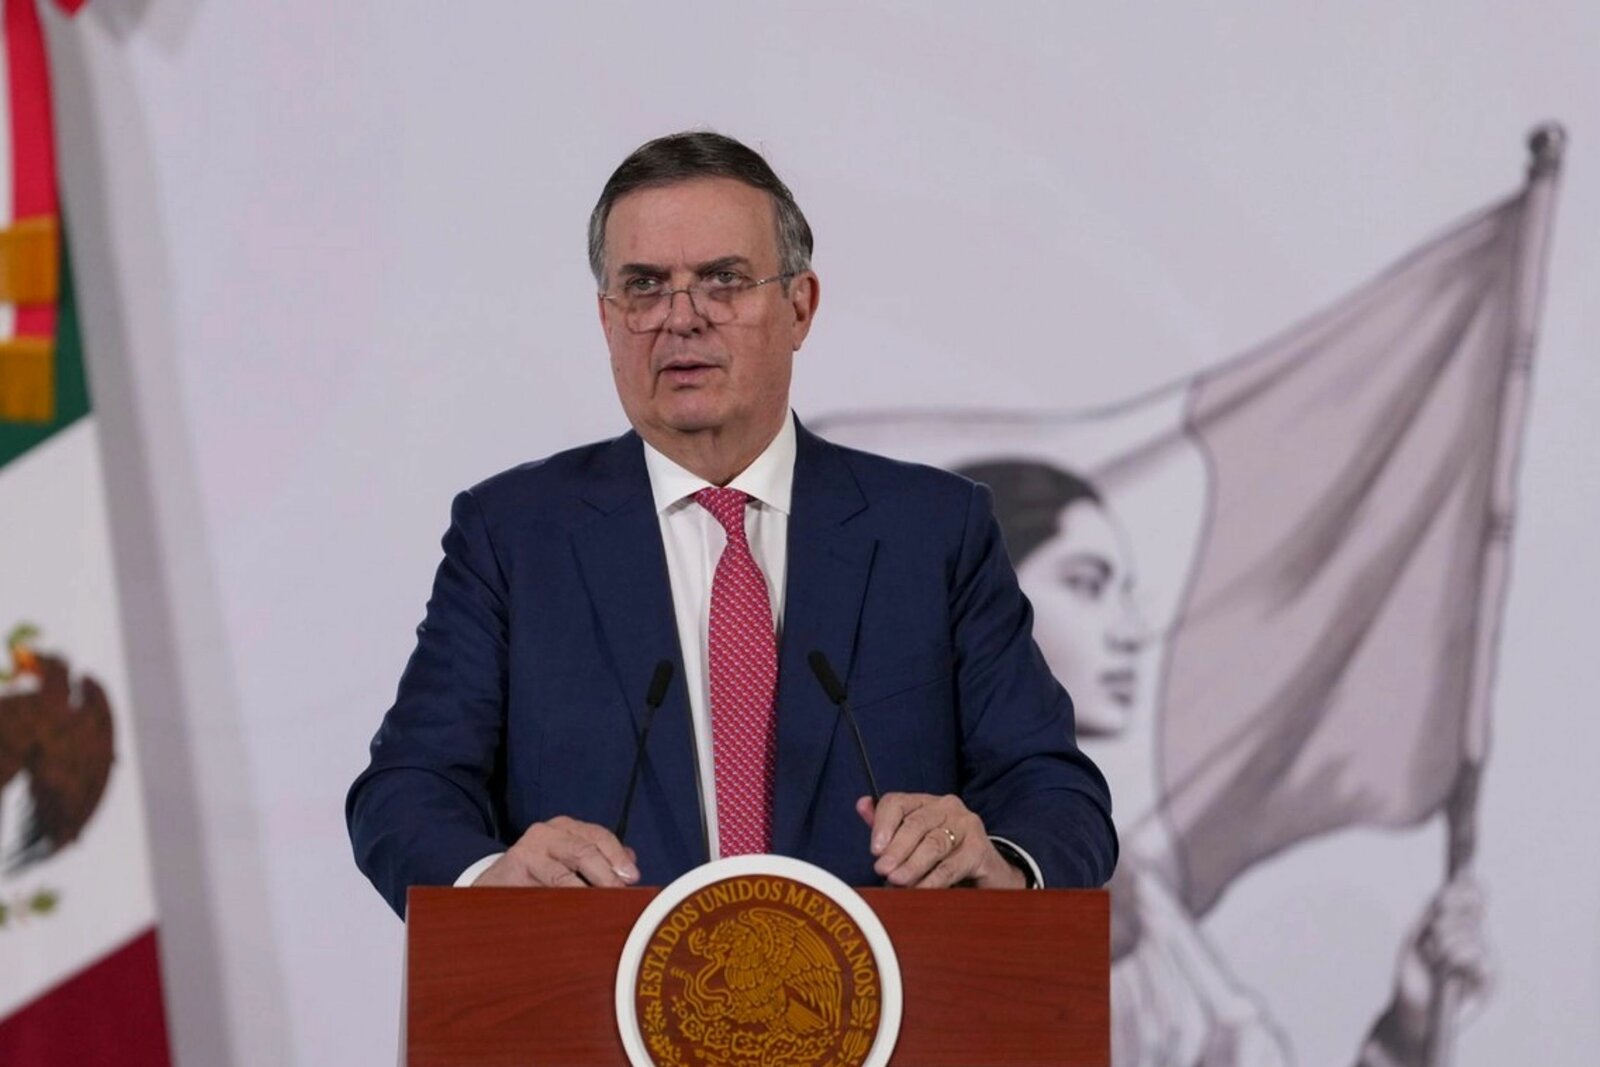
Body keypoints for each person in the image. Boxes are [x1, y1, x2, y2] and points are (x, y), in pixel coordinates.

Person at [346, 132, 1117, 919]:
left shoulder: (933, 532)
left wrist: (998, 861)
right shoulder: (512, 537)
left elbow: (1055, 793)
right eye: (644, 287)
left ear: (799, 306)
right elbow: (405, 790)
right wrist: (491, 881)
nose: (681, 319)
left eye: (724, 280)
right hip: (597, 988)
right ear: (607, 319)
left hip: (881, 989)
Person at [966, 457, 1492, 1067]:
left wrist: (1405, 1029)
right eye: (1087, 584)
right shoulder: (913, 852)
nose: (1131, 630)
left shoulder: (1127, 885)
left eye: (1126, 592)